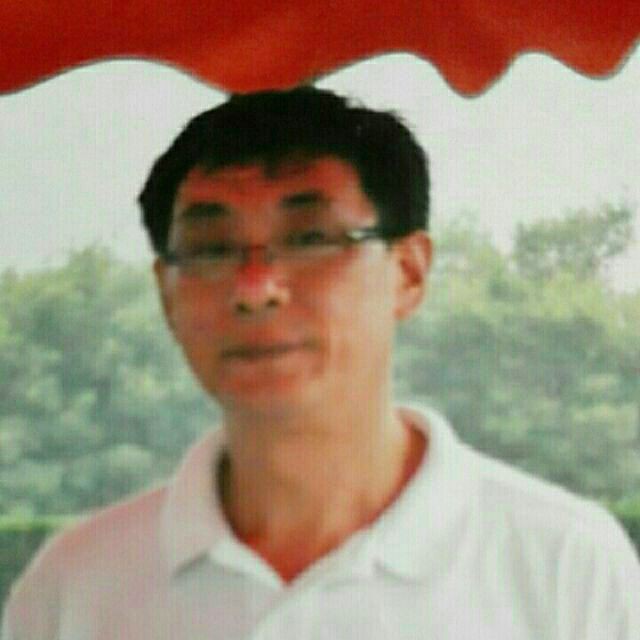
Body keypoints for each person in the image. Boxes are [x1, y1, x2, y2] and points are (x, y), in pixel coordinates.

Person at [3, 87, 639, 639]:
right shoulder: (77, 587)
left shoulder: (562, 566)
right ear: (166, 295)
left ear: (409, 272)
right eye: (211, 248)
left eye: (311, 238)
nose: (256, 287)